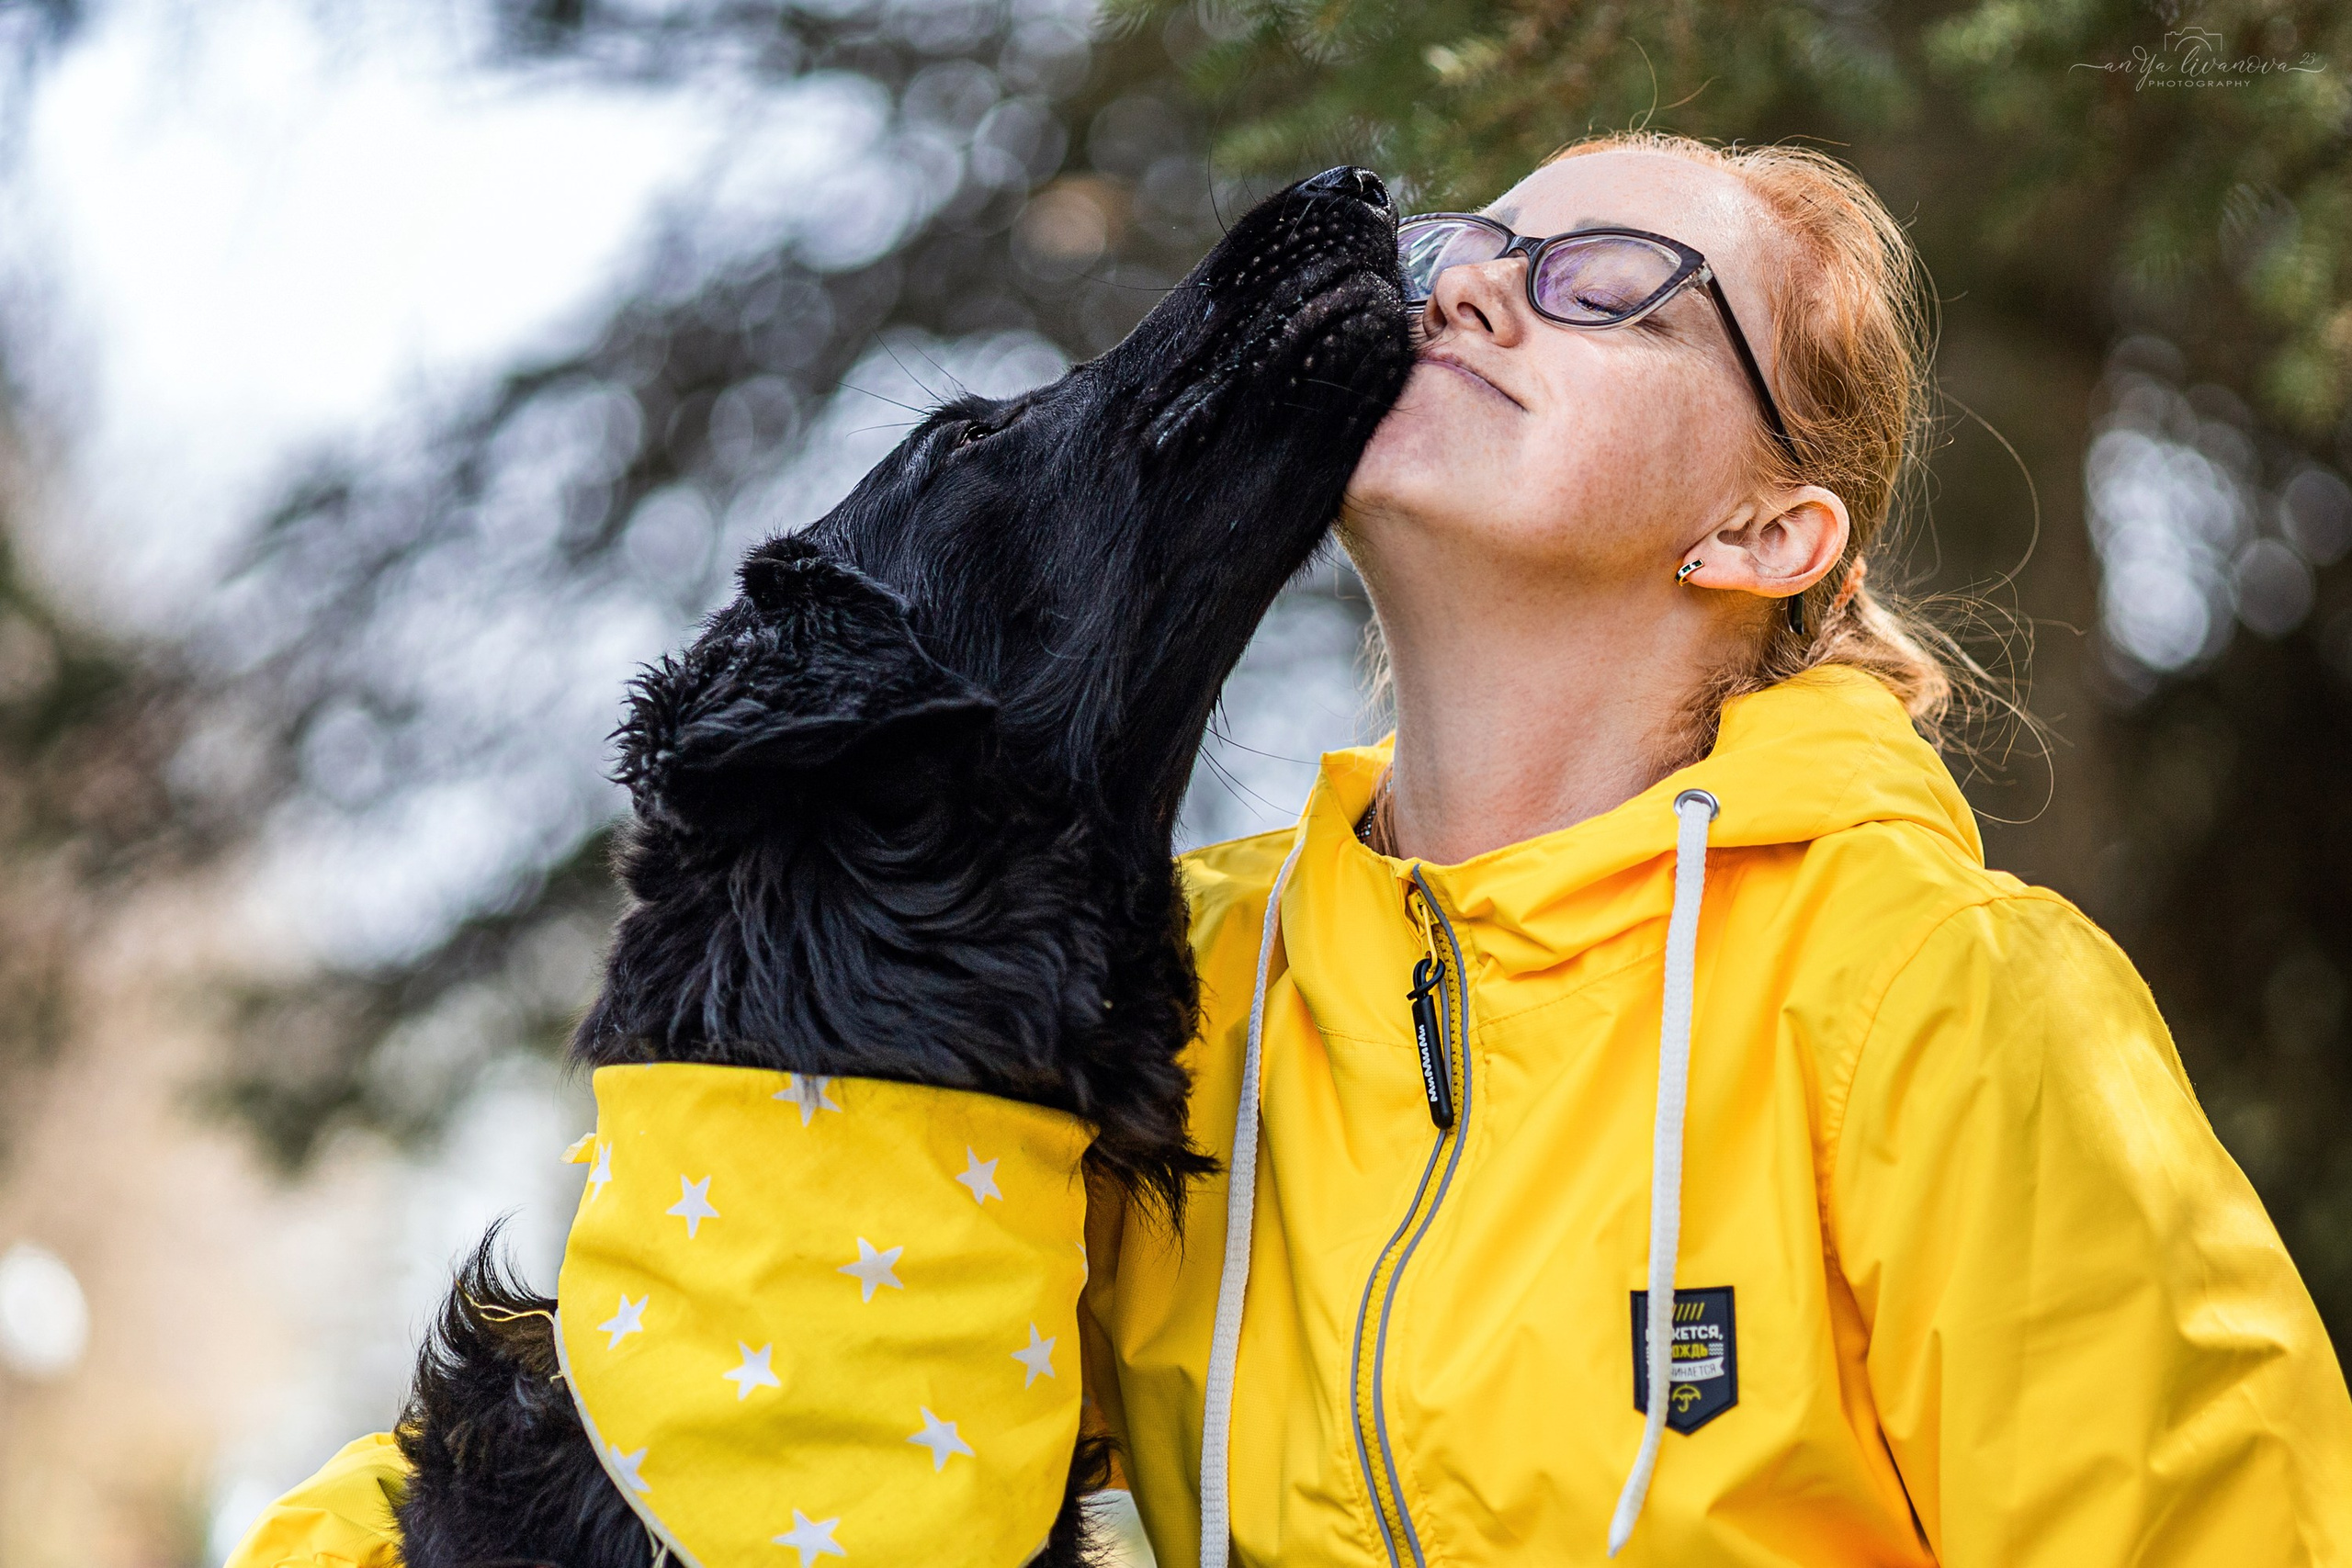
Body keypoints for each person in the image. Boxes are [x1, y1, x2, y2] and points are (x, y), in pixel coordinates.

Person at [231, 132, 2352, 1567]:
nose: (1486, 294)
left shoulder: (1933, 995)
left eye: (1610, 281)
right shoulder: (1195, 988)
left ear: (1762, 531)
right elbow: (731, 1381)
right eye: (1471, 254)